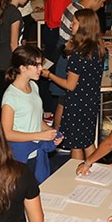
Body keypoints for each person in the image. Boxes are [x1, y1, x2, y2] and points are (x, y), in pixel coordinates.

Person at [40, 9, 104, 158]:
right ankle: (94, 171)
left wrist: (49, 75)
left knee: (76, 145)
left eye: (74, 23)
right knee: (87, 141)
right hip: (91, 101)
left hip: (77, 103)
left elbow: (70, 85)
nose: (71, 26)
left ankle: (79, 175)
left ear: (83, 27)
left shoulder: (78, 54)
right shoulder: (99, 49)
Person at [1, 45, 60, 182]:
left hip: (35, 153)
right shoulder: (11, 97)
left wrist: (51, 132)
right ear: (22, 68)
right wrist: (40, 135)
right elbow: (6, 133)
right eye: (36, 65)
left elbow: (35, 119)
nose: (41, 69)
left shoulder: (33, 86)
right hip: (20, 155)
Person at [0, 0, 31, 77]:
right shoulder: (15, 13)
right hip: (8, 58)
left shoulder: (6, 8)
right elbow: (13, 43)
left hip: (0, 55)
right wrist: (20, 62)